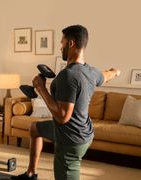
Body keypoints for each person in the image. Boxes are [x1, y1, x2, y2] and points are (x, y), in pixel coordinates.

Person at [11, 25, 120, 180]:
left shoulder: (68, 76)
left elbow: (63, 117)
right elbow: (107, 75)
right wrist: (115, 71)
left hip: (70, 139)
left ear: (71, 44)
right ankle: (30, 173)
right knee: (35, 128)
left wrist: (41, 89)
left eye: (61, 42)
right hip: (84, 132)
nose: (60, 47)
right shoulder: (91, 71)